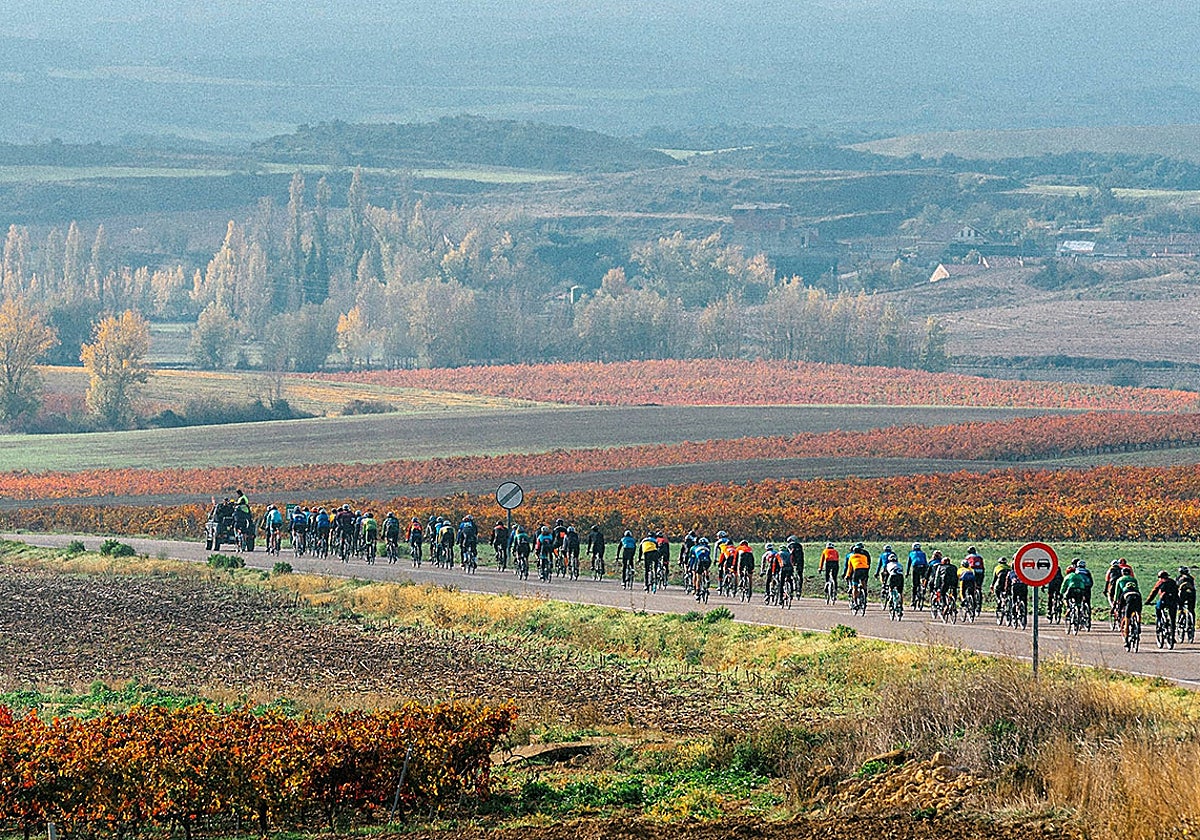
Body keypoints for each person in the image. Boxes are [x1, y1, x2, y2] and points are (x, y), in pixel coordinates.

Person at [1147, 570, 1179, 639]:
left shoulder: (1160, 582)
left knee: (1157, 608)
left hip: (1164, 601)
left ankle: (1159, 622)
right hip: (1173, 601)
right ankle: (1172, 636)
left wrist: (1148, 601)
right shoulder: (1173, 582)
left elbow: (1154, 592)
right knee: (1173, 618)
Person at [1114, 567, 1141, 637]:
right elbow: (1137, 588)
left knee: (1127, 616)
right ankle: (1138, 624)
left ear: (1122, 573)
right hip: (1137, 595)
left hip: (1126, 596)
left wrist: (1115, 602)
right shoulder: (1134, 579)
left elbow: (1117, 592)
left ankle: (1126, 636)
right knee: (1138, 612)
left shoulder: (1120, 579)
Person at [844, 542, 871, 607]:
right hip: (865, 570)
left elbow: (849, 568)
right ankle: (864, 594)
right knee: (863, 582)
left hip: (856, 570)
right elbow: (868, 563)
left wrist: (847, 576)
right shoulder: (864, 555)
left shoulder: (851, 556)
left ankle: (855, 602)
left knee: (855, 587)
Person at [907, 543, 928, 608]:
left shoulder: (911, 553)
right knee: (923, 580)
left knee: (914, 585)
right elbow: (926, 562)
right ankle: (923, 589)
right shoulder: (923, 553)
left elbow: (909, 564)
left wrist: (907, 573)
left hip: (915, 567)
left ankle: (913, 601)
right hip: (923, 567)